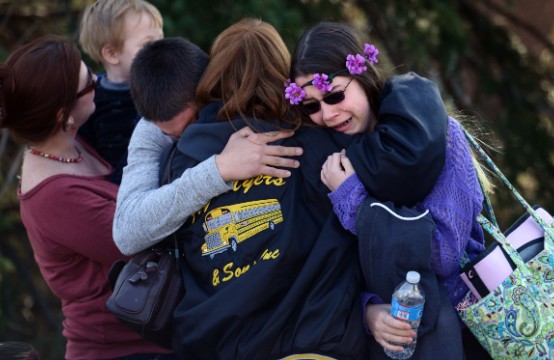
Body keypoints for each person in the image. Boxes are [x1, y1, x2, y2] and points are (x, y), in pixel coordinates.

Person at [164, 18, 449, 359]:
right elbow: (401, 165)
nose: (326, 113)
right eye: (313, 103)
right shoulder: (318, 147)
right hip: (313, 343)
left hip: (209, 344)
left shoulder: (181, 159)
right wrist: (412, 89)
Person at [288, 22, 492, 359]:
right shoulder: (332, 158)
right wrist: (368, 311)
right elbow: (340, 266)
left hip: (459, 331)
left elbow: (442, 254)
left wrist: (351, 198)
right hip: (385, 343)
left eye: (335, 95)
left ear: (363, 75)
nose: (326, 114)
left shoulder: (435, 136)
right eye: (310, 106)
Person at [0, 35, 173, 359]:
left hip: (153, 335)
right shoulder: (55, 198)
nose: (99, 80)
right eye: (88, 84)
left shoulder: (69, 143)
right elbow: (145, 232)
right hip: (123, 350)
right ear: (61, 115)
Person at [113, 36, 303, 255]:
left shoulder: (236, 92)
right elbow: (126, 233)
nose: (186, 140)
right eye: (171, 135)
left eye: (191, 124)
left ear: (208, 89)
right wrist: (219, 169)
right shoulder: (150, 128)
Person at [78, 0, 164, 184]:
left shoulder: (169, 84)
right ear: (112, 54)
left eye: (161, 40)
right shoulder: (91, 101)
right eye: (149, 44)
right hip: (120, 192)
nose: (162, 50)